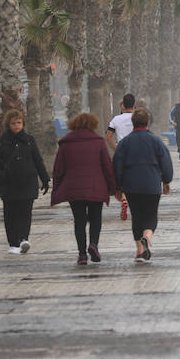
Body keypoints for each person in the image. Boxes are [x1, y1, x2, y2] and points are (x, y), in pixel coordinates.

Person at [51, 112, 116, 265]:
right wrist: (113, 187)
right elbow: (107, 166)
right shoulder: (98, 142)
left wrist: (56, 188)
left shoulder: (66, 144)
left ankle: (82, 255)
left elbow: (58, 169)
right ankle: (93, 244)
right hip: (96, 186)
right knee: (96, 218)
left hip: (74, 188)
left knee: (79, 220)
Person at [113, 109, 173, 263]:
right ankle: (147, 235)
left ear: (133, 122)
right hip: (151, 185)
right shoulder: (156, 141)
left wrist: (117, 187)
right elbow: (165, 162)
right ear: (147, 122)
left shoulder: (124, 143)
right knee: (151, 215)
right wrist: (166, 180)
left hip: (131, 186)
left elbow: (117, 165)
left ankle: (140, 251)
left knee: (137, 217)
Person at [0, 110, 50, 254]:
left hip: (27, 182)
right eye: (13, 123)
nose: (16, 126)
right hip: (8, 184)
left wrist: (45, 179)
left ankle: (24, 239)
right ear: (8, 124)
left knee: (25, 213)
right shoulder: (3, 141)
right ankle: (13, 243)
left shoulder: (29, 140)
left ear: (23, 123)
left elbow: (37, 160)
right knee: (10, 215)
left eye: (19, 123)